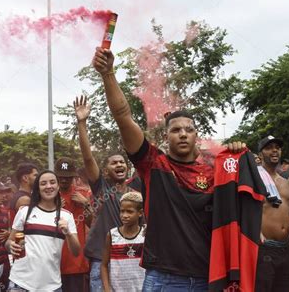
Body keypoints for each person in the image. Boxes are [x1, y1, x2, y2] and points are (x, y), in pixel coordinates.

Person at [92, 47, 244, 290]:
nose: (182, 134)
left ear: (197, 135)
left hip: (209, 277)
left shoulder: (214, 170)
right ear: (166, 135)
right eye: (175, 130)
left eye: (188, 129)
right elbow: (123, 116)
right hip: (164, 279)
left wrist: (236, 155)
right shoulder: (153, 164)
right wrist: (108, 74)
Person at [74, 95, 139, 292]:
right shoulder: (102, 188)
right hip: (101, 258)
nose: (119, 164)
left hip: (130, 258)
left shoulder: (137, 190)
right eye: (114, 162)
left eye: (122, 162)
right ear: (106, 170)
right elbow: (87, 157)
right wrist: (82, 123)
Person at [6, 170, 80, 291]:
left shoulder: (67, 216)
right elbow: (8, 243)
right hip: (20, 284)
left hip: (52, 286)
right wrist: (11, 246)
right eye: (43, 183)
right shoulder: (24, 211)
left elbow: (76, 252)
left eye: (52, 182)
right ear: (38, 188)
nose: (48, 186)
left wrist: (68, 233)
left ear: (57, 186)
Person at [256, 135, 289, 292]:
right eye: (269, 147)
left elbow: (288, 211)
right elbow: (245, 209)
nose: (274, 151)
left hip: (286, 248)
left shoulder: (285, 181)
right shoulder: (255, 178)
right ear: (260, 154)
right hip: (265, 248)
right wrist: (255, 231)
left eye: (277, 148)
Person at [54, 157, 91, 291]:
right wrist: (54, 209)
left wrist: (86, 204)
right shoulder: (49, 195)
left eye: (68, 177)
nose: (64, 180)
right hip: (53, 261)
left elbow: (92, 224)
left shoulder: (82, 193)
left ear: (74, 177)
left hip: (76, 261)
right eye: (61, 177)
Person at [101, 192, 145, 291]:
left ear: (140, 213)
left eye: (129, 211)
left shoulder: (145, 236)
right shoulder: (112, 235)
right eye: (122, 211)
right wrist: (107, 289)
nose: (124, 215)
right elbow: (104, 265)